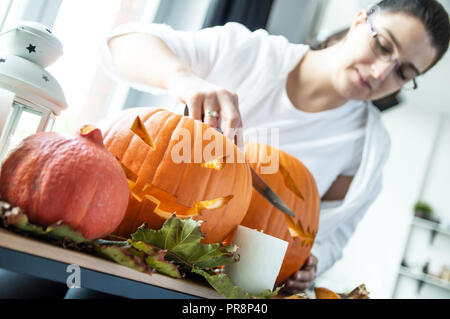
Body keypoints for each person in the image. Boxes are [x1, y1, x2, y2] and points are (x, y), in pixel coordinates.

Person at [101, 0, 450, 295]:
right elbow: (120, 43)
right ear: (360, 21)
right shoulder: (253, 53)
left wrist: (310, 264)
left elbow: (329, 237)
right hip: (137, 254)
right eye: (383, 45)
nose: (380, 73)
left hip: (223, 290)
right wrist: (183, 79)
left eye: (403, 72)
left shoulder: (366, 148)